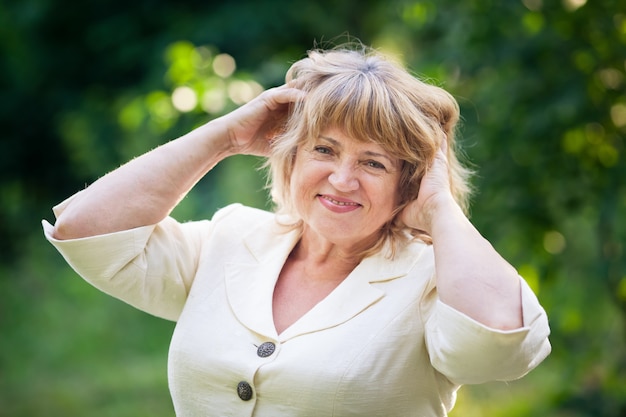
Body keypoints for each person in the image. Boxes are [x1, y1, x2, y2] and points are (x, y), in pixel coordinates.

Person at [42, 44, 551, 416]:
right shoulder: (231, 237)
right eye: (324, 150)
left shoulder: (434, 281)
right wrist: (225, 136)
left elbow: (503, 344)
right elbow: (86, 231)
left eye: (373, 163)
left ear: (409, 182)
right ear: (289, 154)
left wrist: (441, 207)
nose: (342, 178)